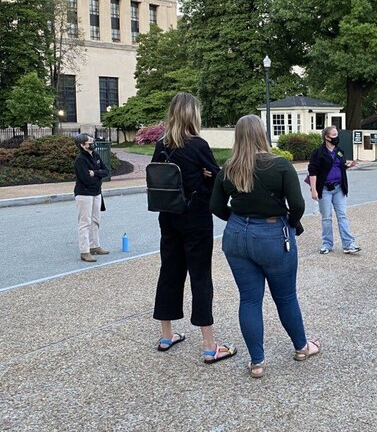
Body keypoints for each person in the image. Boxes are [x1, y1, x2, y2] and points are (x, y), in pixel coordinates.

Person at [212, 115, 319, 378]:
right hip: (272, 233)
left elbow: (215, 206)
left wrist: (238, 221)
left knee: (249, 299)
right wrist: (291, 225)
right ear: (262, 133)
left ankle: (257, 362)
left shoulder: (228, 167)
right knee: (285, 296)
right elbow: (298, 206)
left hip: (236, 235)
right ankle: (301, 347)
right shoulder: (280, 165)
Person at [151, 93, 236, 364]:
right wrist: (206, 176)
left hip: (168, 215)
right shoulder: (198, 144)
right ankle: (209, 344)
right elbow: (219, 178)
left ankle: (167, 335)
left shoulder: (161, 145)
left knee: (169, 272)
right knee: (200, 276)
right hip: (195, 218)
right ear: (193, 115)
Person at [308, 125, 360, 255]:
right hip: (324, 189)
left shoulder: (339, 151)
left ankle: (348, 244)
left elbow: (340, 166)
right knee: (326, 218)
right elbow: (312, 172)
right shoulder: (318, 153)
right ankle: (327, 244)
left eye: (337, 134)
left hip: (339, 188)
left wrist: (348, 165)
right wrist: (314, 190)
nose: (336, 137)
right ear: (326, 137)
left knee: (342, 215)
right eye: (334, 135)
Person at [73, 133, 109, 262]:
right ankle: (84, 251)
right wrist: (97, 175)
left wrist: (95, 173)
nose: (93, 143)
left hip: (96, 192)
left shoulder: (96, 155)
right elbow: (86, 179)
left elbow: (106, 171)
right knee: (85, 222)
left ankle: (95, 246)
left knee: (95, 220)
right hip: (84, 194)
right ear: (82, 145)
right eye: (90, 141)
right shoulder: (80, 160)